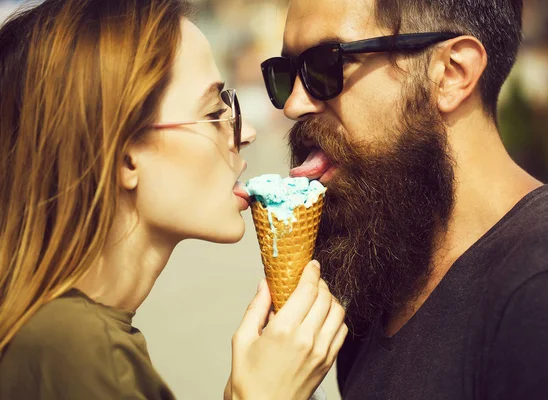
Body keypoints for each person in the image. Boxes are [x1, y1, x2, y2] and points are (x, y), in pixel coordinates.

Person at [0, 1, 348, 399]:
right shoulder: (74, 350)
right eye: (216, 110)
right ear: (126, 156)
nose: (246, 131)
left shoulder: (64, 334)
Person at [259, 0, 548, 398]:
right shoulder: (382, 281)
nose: (293, 104)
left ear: (452, 73)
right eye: (285, 74)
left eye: (325, 65)